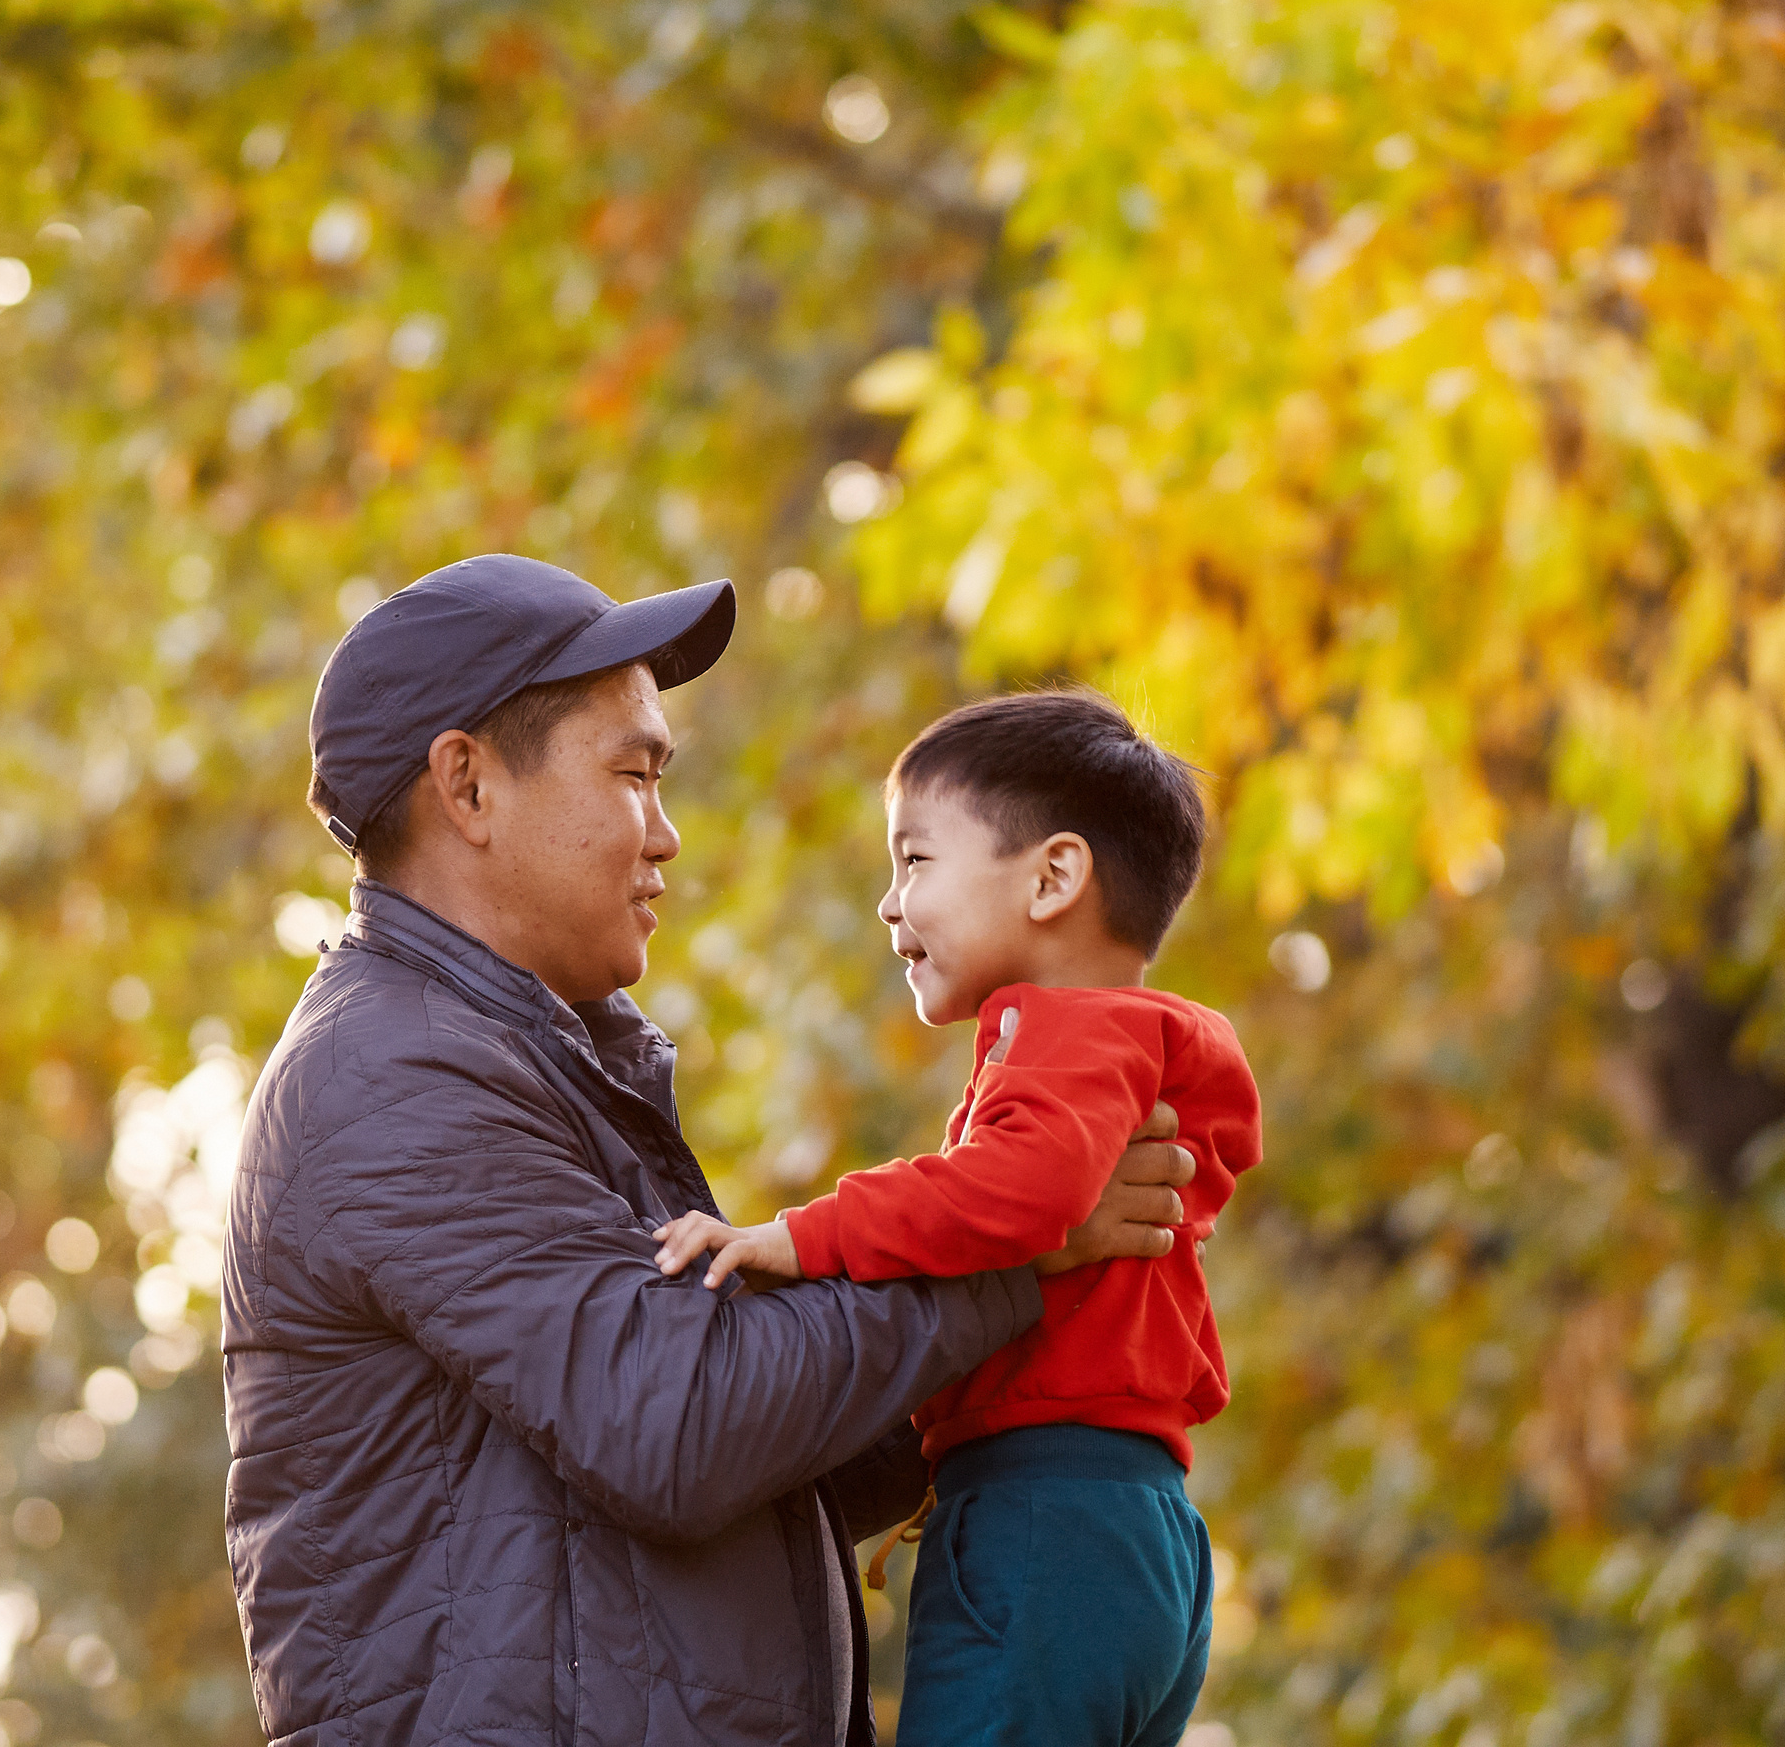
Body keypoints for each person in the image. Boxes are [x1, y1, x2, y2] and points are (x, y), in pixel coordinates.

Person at [220, 555, 1199, 1747]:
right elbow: (677, 1426)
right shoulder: (390, 1078)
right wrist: (1015, 1254)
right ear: (467, 786)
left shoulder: (547, 1065)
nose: (666, 835)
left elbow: (780, 1462)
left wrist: (1029, 1281)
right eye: (632, 774)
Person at [653, 689, 1263, 1747]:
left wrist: (796, 1240)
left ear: (1053, 877)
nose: (890, 904)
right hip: (1136, 1530)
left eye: (916, 861)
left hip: (1043, 1522)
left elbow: (1011, 1197)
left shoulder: (1068, 1039)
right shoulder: (1134, 1048)